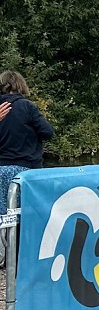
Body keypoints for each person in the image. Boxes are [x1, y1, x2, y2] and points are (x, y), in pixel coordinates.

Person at [0, 71, 54, 215]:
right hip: (26, 171)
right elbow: (48, 132)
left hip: (1, 169)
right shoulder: (27, 106)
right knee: (27, 215)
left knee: (4, 216)